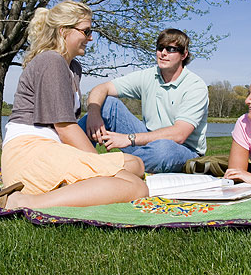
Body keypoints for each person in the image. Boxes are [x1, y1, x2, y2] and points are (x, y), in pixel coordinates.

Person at [0, 0, 148, 209]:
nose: (90, 38)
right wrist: (98, 165)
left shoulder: (73, 68)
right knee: (136, 187)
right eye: (86, 31)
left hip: (49, 149)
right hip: (29, 153)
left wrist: (99, 167)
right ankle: (25, 201)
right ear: (63, 31)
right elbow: (66, 128)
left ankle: (65, 190)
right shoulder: (51, 61)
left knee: (136, 165)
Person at [80, 28, 209, 173]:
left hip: (182, 150)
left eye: (171, 49)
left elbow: (179, 134)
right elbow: (102, 88)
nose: (163, 53)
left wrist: (129, 139)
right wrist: (93, 113)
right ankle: (65, 156)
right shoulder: (149, 76)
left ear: (184, 54)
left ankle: (103, 167)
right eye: (160, 48)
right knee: (107, 104)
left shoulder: (195, 86)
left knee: (163, 150)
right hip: (146, 142)